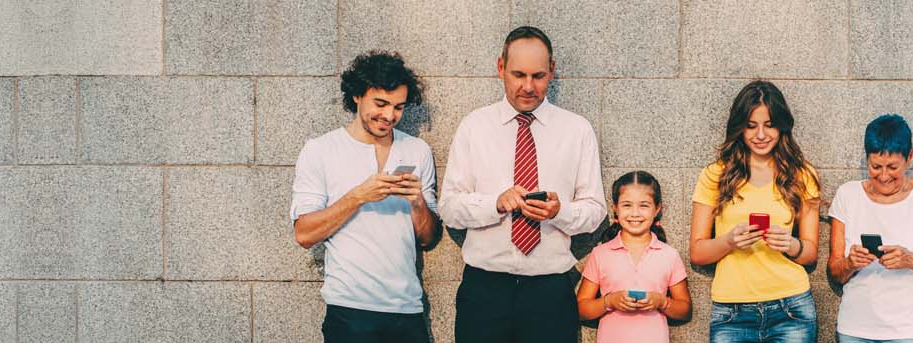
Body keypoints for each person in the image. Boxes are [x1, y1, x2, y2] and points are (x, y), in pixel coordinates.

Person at [440, 26, 606, 343]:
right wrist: (494, 204)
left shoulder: (576, 130)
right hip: (484, 291)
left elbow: (595, 211)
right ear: (500, 67)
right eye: (518, 74)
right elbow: (448, 208)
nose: (528, 87)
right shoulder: (474, 127)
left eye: (538, 76)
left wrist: (560, 211)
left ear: (552, 71)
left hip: (550, 291)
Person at [290, 51, 440, 343]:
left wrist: (418, 203)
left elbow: (428, 238)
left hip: (406, 309)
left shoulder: (417, 150)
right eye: (381, 103)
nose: (389, 116)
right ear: (357, 95)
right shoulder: (320, 150)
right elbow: (304, 234)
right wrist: (357, 197)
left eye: (398, 107)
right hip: (350, 311)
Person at [688, 80, 821, 343]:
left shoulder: (803, 174)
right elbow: (697, 253)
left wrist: (792, 245)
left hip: (791, 309)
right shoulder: (715, 174)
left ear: (782, 126)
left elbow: (811, 254)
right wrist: (729, 241)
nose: (761, 135)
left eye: (769, 125)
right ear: (739, 128)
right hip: (731, 313)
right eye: (751, 126)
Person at [827, 114, 913, 343]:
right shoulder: (847, 195)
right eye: (875, 166)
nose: (883, 176)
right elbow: (835, 272)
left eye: (892, 167)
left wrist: (911, 260)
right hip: (856, 329)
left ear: (909, 157)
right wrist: (850, 263)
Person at [576, 171, 692, 343]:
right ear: (615, 207)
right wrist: (609, 301)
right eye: (627, 205)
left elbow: (685, 310)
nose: (635, 213)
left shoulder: (669, 255)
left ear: (657, 208)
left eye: (644, 205)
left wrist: (662, 302)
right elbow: (580, 308)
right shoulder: (601, 254)